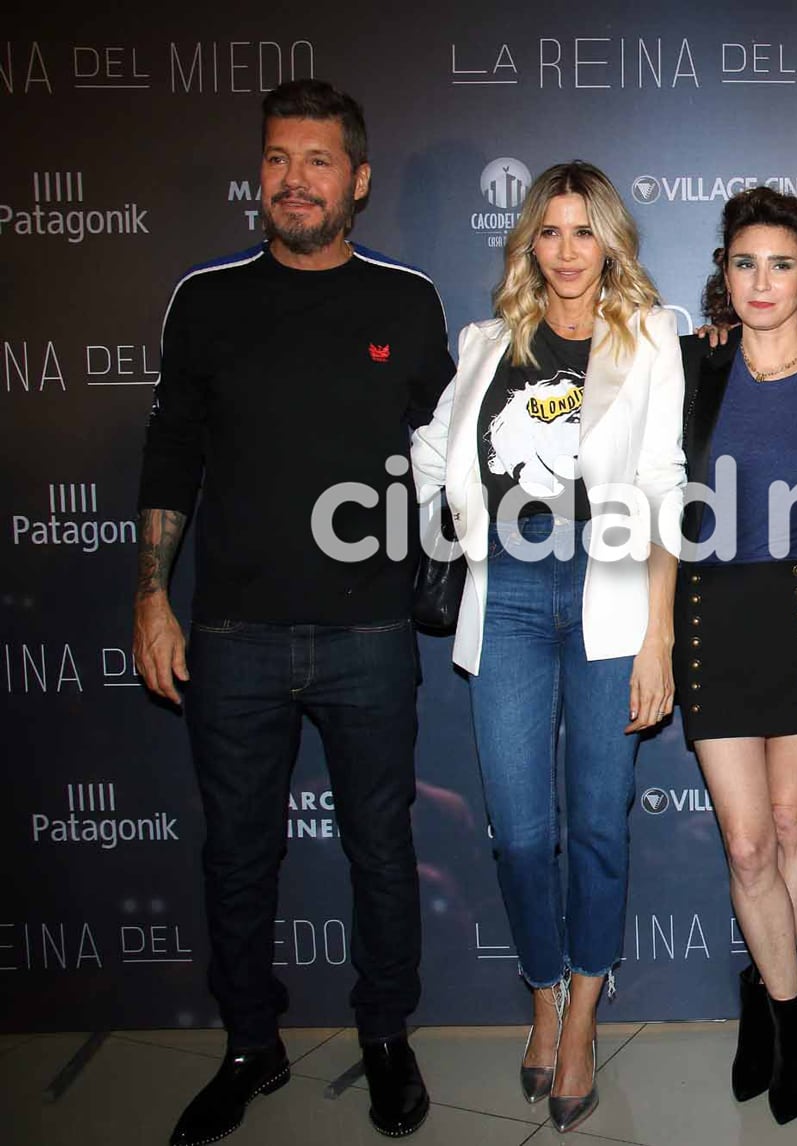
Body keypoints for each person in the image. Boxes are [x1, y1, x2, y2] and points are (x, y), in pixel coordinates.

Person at [134, 79, 452, 1143]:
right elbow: (172, 453)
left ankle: (384, 1038)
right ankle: (247, 1044)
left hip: (369, 635)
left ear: (357, 180)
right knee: (236, 853)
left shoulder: (407, 304)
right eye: (277, 159)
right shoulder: (205, 301)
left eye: (318, 161)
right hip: (231, 633)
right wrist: (151, 598)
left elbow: (446, 465)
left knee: (378, 849)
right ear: (257, 174)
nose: (294, 180)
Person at [409, 161, 683, 1134]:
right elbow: (434, 451)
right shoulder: (487, 342)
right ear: (531, 242)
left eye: (583, 232)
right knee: (521, 830)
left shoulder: (650, 336)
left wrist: (659, 639)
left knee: (598, 825)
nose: (567, 252)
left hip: (609, 602)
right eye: (550, 232)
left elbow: (663, 487)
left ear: (609, 241)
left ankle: (582, 1019)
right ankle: (541, 994)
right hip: (513, 600)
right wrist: (472, 531)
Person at [674, 187, 797, 1124]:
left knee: (793, 826)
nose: (760, 281)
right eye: (743, 263)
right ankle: (796, 1010)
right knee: (746, 840)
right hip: (712, 611)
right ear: (724, 273)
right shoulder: (689, 369)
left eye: (780, 263)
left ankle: (765, 1001)